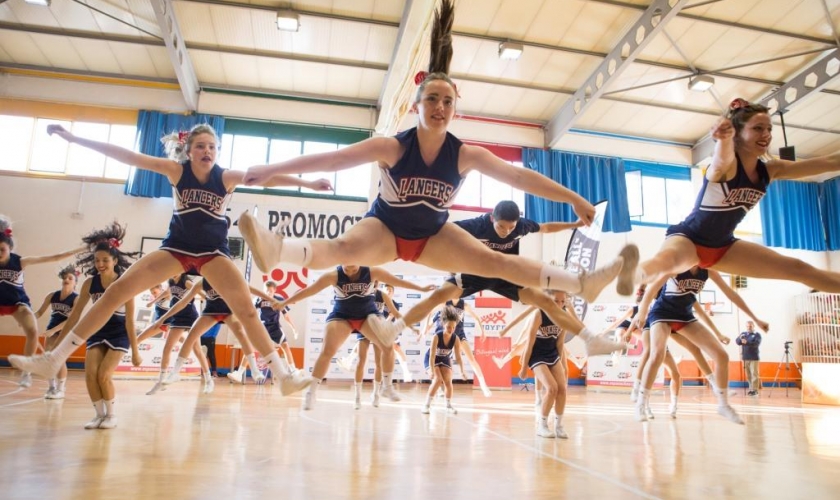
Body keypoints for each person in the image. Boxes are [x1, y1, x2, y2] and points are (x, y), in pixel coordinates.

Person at [237, 0, 638, 351]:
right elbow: (333, 160)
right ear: (417, 105)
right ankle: (278, 249)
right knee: (344, 248)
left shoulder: (464, 154)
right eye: (432, 99)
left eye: (447, 101)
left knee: (494, 261)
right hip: (386, 229)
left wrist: (574, 197)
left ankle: (581, 283)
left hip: (433, 236)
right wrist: (271, 170)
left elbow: (520, 179)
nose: (440, 107)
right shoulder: (392, 147)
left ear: (455, 109)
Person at [9, 123, 332, 398]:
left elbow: (268, 177)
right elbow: (128, 156)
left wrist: (308, 183)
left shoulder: (226, 177)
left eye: (212, 147)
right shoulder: (176, 171)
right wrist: (73, 139)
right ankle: (56, 358)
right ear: (188, 151)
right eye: (201, 146)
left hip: (212, 253)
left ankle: (283, 376)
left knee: (246, 310)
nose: (207, 151)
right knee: (115, 291)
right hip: (176, 249)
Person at [632, 97, 840, 292]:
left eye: (768, 129)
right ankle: (633, 275)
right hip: (689, 238)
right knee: (667, 261)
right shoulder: (726, 167)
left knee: (798, 269)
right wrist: (724, 140)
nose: (766, 134)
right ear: (738, 134)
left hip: (724, 247)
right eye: (758, 128)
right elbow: (721, 160)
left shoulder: (771, 169)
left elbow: (830, 162)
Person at [274, 265, 434, 411]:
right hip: (342, 315)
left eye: (353, 267)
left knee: (388, 346)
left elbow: (397, 282)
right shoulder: (333, 276)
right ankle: (311, 393)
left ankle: (386, 386)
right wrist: (285, 302)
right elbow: (310, 290)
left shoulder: (372, 272)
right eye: (347, 268)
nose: (350, 271)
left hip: (367, 316)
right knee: (327, 351)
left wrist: (420, 288)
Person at [633, 266, 768, 424]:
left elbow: (730, 294)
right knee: (656, 354)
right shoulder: (677, 266)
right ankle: (641, 402)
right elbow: (651, 289)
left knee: (721, 355)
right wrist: (642, 312)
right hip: (662, 313)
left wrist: (753, 319)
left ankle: (723, 404)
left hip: (684, 316)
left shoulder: (708, 270)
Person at [59, 222, 141, 429]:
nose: (100, 264)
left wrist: (135, 350)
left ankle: (111, 416)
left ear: (115, 260)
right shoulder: (90, 283)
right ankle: (99, 415)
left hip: (119, 331)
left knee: (104, 375)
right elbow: (75, 314)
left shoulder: (124, 283)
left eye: (105, 260)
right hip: (97, 330)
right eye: (97, 260)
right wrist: (61, 342)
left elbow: (130, 319)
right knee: (90, 374)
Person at [0, 215, 83, 387]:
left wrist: (81, 248)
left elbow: (55, 257)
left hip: (17, 304)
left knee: (33, 331)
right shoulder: (53, 295)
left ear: (10, 248)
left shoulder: (20, 261)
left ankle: (26, 373)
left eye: (2, 250)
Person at [519, 290, 571, 439]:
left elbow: (560, 343)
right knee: (552, 388)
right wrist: (523, 367)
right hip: (537, 355)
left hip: (552, 353)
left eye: (562, 301)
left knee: (562, 388)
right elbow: (529, 343)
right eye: (556, 301)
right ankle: (542, 426)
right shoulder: (539, 314)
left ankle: (559, 426)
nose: (559, 304)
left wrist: (564, 365)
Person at [421, 298, 491, 396]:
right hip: (445, 335)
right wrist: (425, 328)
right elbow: (430, 312)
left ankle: (483, 385)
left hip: (459, 334)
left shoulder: (464, 305)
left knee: (471, 359)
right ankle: (437, 387)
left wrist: (482, 331)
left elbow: (476, 317)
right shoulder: (445, 303)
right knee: (438, 360)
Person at [33, 264, 79, 399]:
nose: (67, 280)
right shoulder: (52, 295)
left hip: (66, 330)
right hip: (52, 328)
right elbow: (39, 312)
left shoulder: (76, 298)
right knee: (49, 358)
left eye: (70, 278)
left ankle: (61, 389)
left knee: (59, 358)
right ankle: (51, 387)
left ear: (75, 282)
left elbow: (71, 320)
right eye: (65, 277)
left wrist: (53, 331)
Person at [421, 306, 464, 415]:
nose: (451, 330)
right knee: (437, 379)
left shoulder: (456, 339)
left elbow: (458, 357)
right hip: (432, 358)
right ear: (443, 325)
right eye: (449, 327)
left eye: (453, 327)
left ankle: (448, 406)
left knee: (448, 381)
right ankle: (426, 405)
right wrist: (431, 370)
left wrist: (462, 371)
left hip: (444, 359)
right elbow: (431, 356)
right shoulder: (436, 336)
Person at [256, 281, 299, 374]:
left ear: (274, 290)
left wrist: (293, 328)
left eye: (270, 291)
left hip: (274, 327)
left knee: (285, 346)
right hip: (262, 327)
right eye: (266, 290)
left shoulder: (279, 299)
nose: (268, 293)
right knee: (251, 348)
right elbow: (251, 313)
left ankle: (293, 370)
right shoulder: (258, 299)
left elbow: (286, 316)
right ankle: (241, 371)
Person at [736, 321, 762, 395]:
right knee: (748, 375)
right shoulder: (743, 334)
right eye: (747, 326)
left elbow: (757, 343)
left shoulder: (757, 335)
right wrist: (740, 340)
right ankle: (751, 389)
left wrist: (746, 342)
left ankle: (755, 390)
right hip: (745, 357)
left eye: (750, 326)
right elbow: (737, 341)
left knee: (754, 374)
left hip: (754, 357)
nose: (749, 328)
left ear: (753, 326)